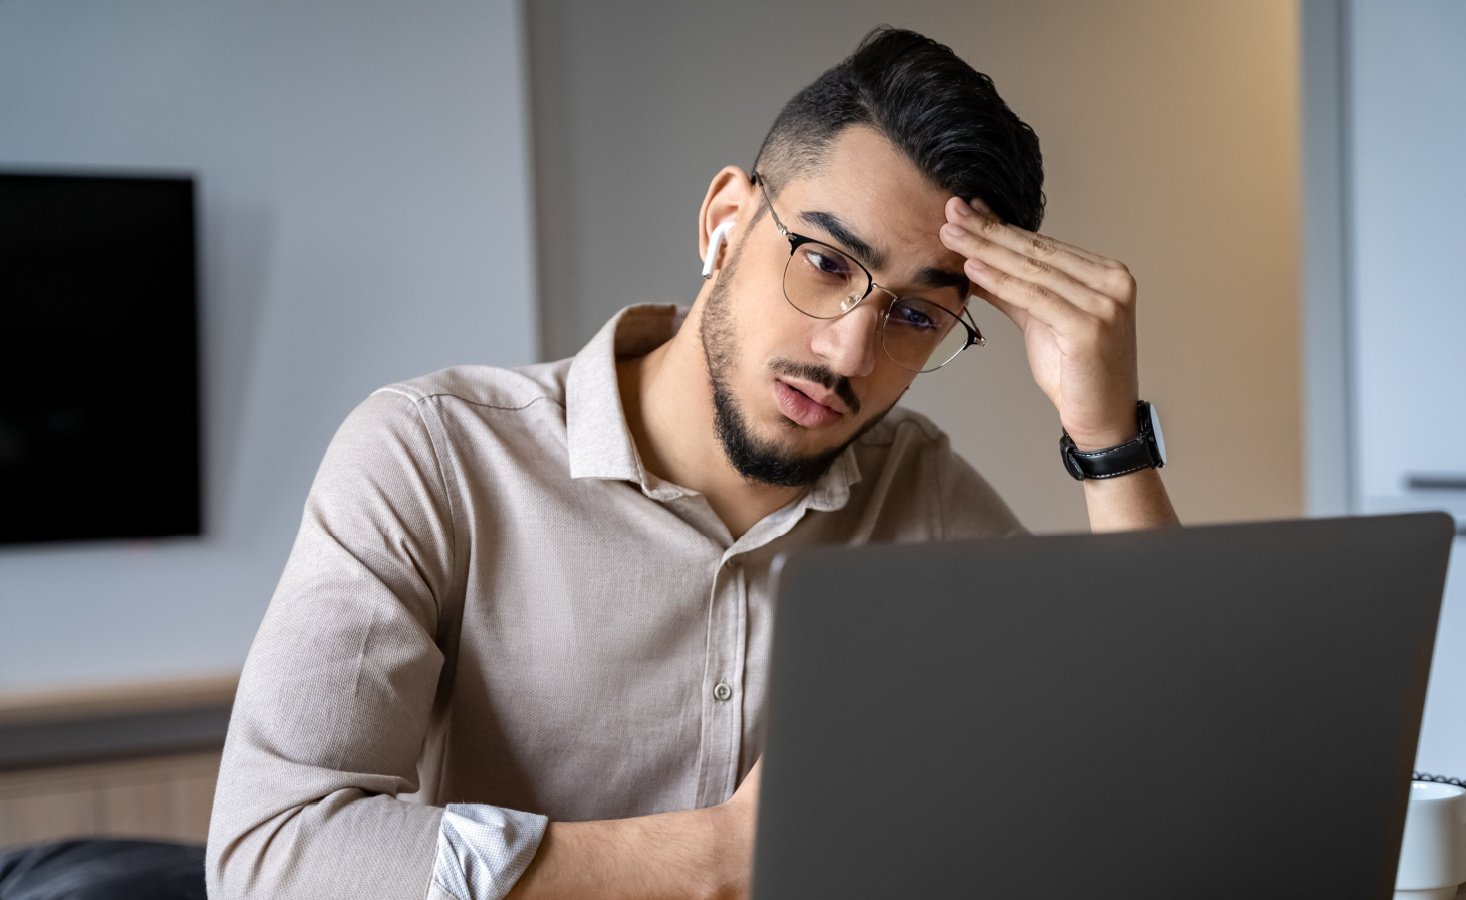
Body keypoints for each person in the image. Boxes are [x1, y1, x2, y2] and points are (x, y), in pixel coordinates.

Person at [207, 26, 1178, 900]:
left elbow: (1159, 771)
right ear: (723, 221)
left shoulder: (915, 492)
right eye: (828, 264)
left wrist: (1106, 436)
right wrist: (717, 857)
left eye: (915, 314)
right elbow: (271, 856)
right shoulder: (434, 454)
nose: (848, 352)